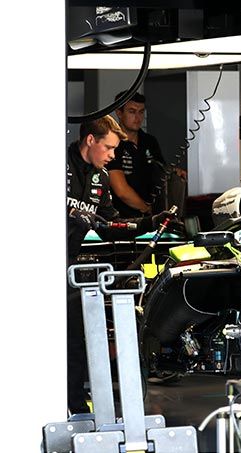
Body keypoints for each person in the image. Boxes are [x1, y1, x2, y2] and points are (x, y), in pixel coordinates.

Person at [66, 115, 173, 415]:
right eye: (109, 148)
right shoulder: (54, 163)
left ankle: (75, 407)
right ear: (90, 140)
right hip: (30, 262)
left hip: (68, 267)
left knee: (74, 339)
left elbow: (110, 226)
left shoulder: (99, 178)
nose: (113, 155)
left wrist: (149, 222)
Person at [109, 91, 186, 218]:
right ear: (119, 112)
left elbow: (160, 171)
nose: (138, 118)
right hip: (121, 218)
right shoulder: (111, 143)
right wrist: (147, 208)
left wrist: (173, 171)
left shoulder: (149, 141)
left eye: (141, 112)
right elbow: (121, 190)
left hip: (151, 217)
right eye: (132, 112)